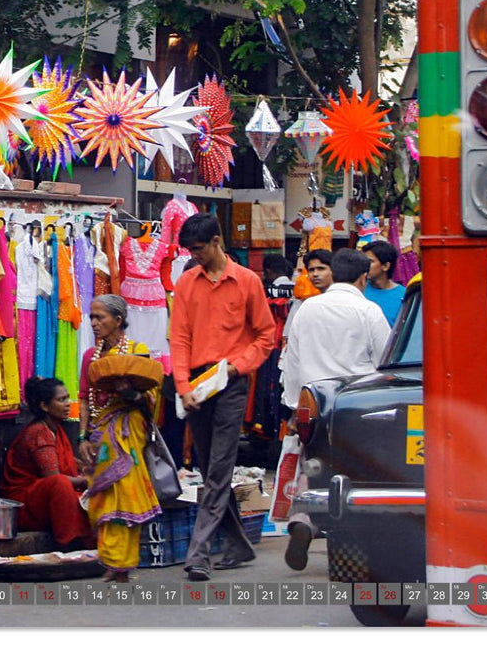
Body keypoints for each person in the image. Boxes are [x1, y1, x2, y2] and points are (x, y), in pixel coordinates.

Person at [170, 214, 276, 581]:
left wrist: (237, 367)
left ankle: (197, 553)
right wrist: (183, 386)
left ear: (216, 241)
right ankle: (238, 544)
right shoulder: (186, 283)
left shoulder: (247, 281)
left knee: (217, 469)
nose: (194, 255)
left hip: (230, 382)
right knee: (210, 467)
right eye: (191, 250)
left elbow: (266, 336)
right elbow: (179, 337)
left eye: (198, 249)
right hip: (198, 382)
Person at [279, 248, 391, 570]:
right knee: (356, 474)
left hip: (313, 404)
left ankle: (304, 520)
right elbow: (384, 360)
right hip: (357, 405)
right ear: (362, 277)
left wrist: (292, 407)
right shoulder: (368, 311)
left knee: (313, 468)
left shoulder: (307, 309)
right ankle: (347, 545)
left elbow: (293, 361)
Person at [78, 295, 162, 582]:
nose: (94, 323)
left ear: (118, 320)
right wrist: (83, 437)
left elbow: (151, 397)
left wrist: (131, 394)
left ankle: (122, 564)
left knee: (126, 492)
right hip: (100, 434)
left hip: (129, 431)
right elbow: (84, 400)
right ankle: (110, 559)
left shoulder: (137, 352)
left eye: (99, 317)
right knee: (101, 495)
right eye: (91, 317)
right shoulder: (90, 356)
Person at [0, 377, 93, 551]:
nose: (67, 404)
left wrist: (89, 469)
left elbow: (64, 459)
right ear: (44, 406)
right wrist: (87, 481)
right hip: (25, 505)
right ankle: (69, 543)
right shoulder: (39, 433)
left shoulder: (54, 428)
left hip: (41, 497)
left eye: (68, 398)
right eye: (61, 399)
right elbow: (53, 478)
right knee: (61, 484)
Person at [282, 248, 333, 348]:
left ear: (333, 270)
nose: (315, 274)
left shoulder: (340, 301)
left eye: (321, 269)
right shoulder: (300, 303)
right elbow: (288, 338)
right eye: (311, 270)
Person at [362, 239, 406, 327]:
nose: (364, 265)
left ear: (385, 266)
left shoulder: (404, 296)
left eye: (370, 261)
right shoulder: (358, 289)